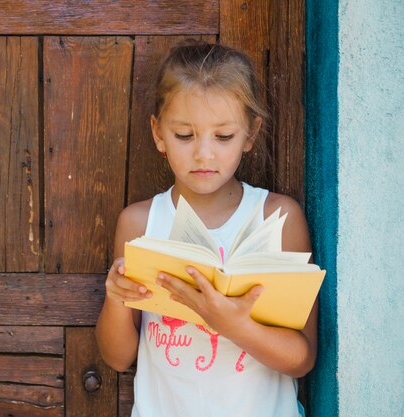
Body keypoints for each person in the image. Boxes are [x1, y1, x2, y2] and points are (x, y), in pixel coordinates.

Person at [95, 40, 317, 417]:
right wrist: (116, 298)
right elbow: (118, 358)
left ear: (249, 134)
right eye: (185, 135)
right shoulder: (140, 223)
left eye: (224, 136)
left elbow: (302, 359)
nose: (204, 154)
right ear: (158, 133)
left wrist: (233, 324)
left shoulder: (277, 219)